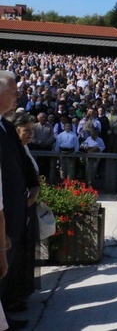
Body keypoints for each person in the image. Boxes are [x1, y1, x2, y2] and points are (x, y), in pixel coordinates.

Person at [0, 71, 36, 330]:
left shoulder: (5, 125)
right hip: (3, 209)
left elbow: (18, 163)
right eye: (13, 92)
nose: (17, 96)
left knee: (5, 269)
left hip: (13, 209)